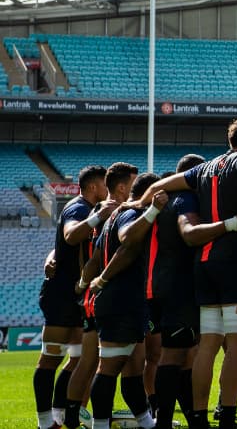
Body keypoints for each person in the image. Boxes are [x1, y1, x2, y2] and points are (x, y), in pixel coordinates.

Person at [133, 120, 237, 429]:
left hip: (204, 266)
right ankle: (226, 415)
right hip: (236, 265)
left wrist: (137, 202)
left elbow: (161, 186)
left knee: (208, 347)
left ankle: (198, 417)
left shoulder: (203, 169)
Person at [119, 154, 204, 429]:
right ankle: (164, 420)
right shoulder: (182, 202)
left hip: (156, 288)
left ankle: (190, 416)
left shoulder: (162, 201)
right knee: (173, 355)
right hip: (176, 289)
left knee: (181, 355)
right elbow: (189, 236)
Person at [62, 162, 139, 429]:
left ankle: (75, 416)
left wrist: (83, 283)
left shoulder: (97, 211)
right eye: (132, 184)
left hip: (94, 292)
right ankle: (89, 416)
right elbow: (93, 253)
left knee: (92, 361)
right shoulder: (112, 212)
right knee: (101, 363)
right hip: (107, 293)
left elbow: (87, 253)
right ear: (120, 187)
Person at [35, 165, 109, 429]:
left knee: (78, 359)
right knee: (50, 359)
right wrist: (97, 218)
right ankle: (45, 423)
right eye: (104, 184)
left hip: (78, 294)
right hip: (61, 295)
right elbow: (69, 235)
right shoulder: (80, 209)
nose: (107, 188)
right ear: (92, 187)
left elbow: (60, 248)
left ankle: (59, 414)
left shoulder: (88, 209)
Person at [87, 171, 161, 429]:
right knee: (108, 370)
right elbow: (128, 241)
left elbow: (95, 258)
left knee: (132, 372)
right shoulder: (131, 214)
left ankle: (147, 423)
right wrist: (152, 211)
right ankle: (99, 425)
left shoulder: (112, 217)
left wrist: (86, 284)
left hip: (125, 301)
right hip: (121, 301)